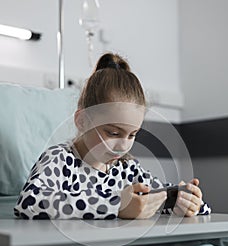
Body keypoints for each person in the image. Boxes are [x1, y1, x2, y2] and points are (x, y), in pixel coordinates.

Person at [14, 53, 211, 221]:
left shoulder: (127, 169)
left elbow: (155, 199)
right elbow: (30, 202)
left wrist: (184, 201)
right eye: (113, 133)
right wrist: (117, 205)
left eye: (132, 135)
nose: (123, 145)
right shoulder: (60, 160)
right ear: (82, 120)